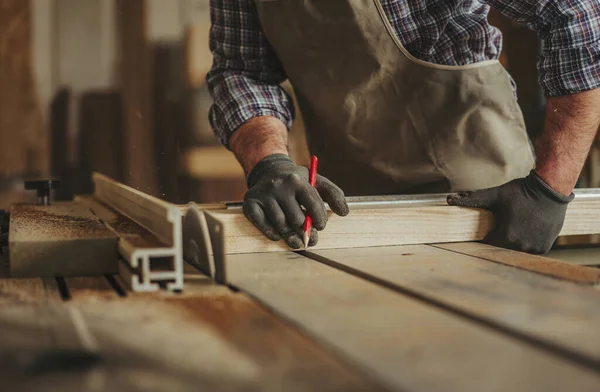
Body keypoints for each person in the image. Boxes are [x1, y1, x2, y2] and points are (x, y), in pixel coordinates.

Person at [207, 0, 600, 254]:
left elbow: (575, 17)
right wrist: (269, 162)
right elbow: (242, 71)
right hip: (348, 209)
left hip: (483, 197)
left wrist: (549, 190)